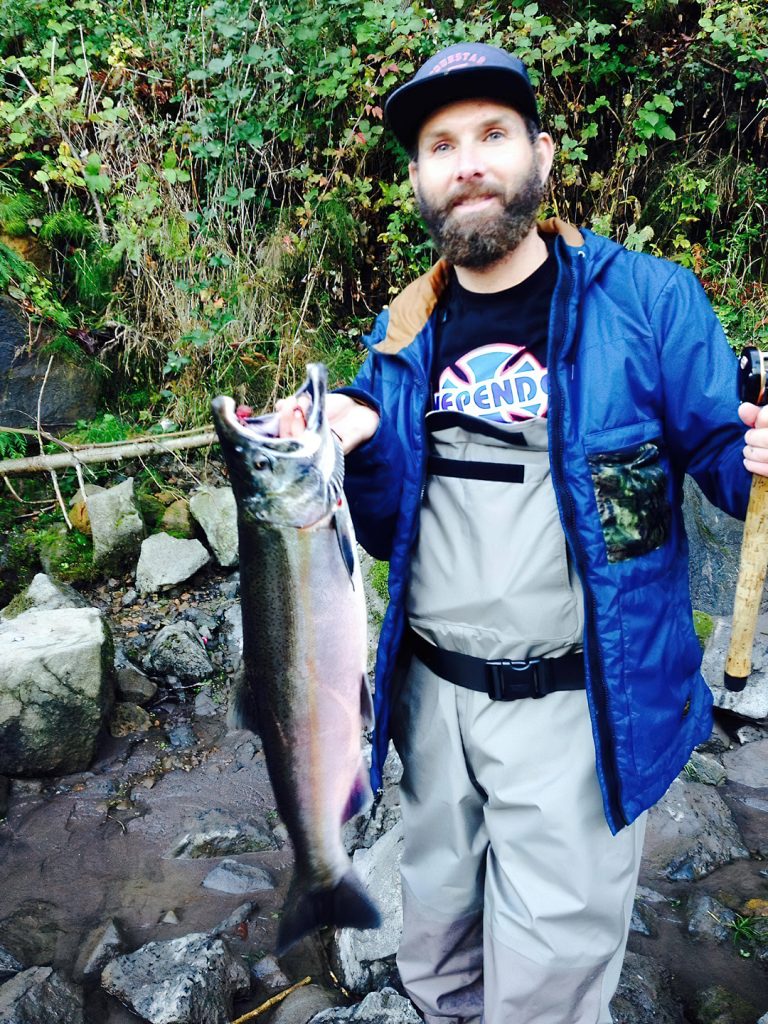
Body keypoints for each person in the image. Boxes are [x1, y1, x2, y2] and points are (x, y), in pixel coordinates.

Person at [277, 42, 768, 1024]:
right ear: (418, 179)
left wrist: (758, 445)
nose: (467, 162)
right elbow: (379, 534)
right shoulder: (401, 330)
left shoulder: (648, 302)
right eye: (440, 144)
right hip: (430, 708)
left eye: (492, 135)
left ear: (540, 156)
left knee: (544, 991)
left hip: (578, 710)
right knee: (436, 948)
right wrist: (350, 449)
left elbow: (726, 456)